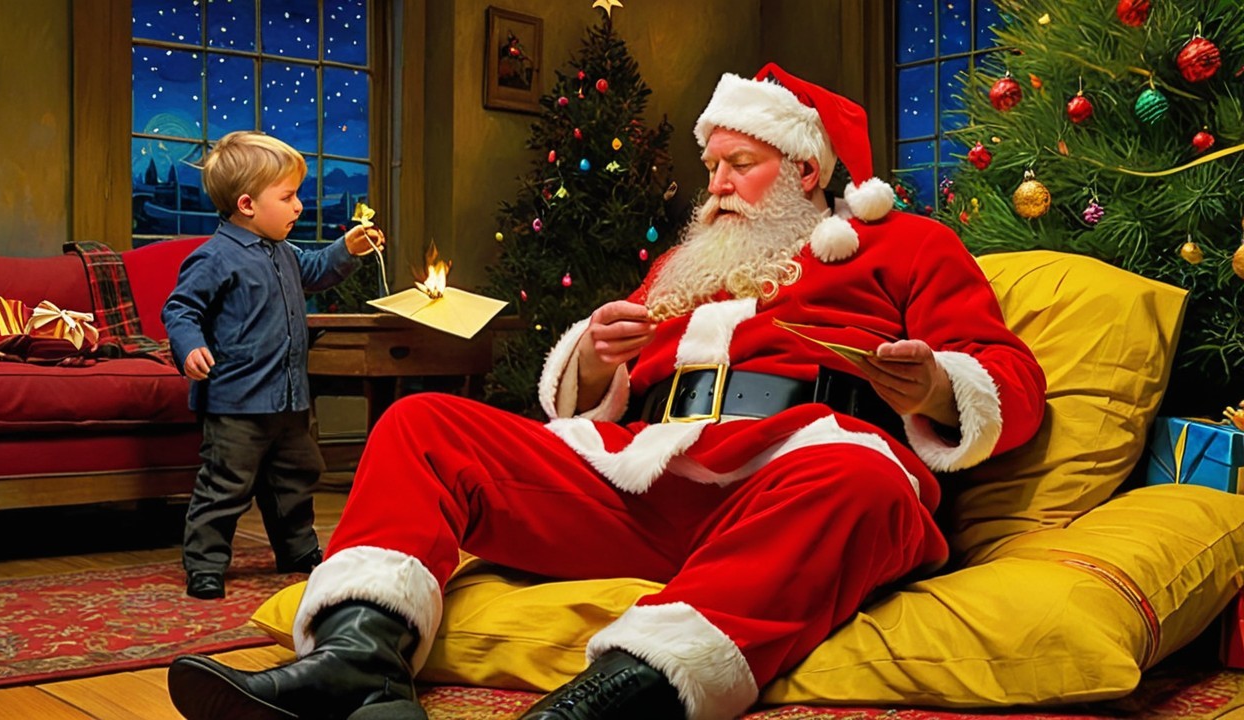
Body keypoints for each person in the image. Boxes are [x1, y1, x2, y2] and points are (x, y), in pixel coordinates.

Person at [167, 64, 1045, 719]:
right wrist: (592, 359)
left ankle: (611, 701)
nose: (717, 186)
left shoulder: (908, 247)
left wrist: (935, 382)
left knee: (862, 482)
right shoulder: (686, 264)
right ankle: (360, 663)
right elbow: (598, 400)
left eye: (739, 164)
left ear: (807, 171)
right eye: (711, 167)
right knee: (424, 422)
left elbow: (1011, 382)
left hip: (802, 482)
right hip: (648, 481)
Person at [162, 130, 385, 601]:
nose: (299, 206)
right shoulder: (214, 257)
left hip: (287, 400)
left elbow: (316, 271)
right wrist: (189, 349)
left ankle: (298, 550)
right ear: (247, 204)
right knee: (226, 484)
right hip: (236, 402)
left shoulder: (285, 254)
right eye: (287, 197)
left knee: (296, 476)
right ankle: (205, 564)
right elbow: (181, 310)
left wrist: (348, 248)